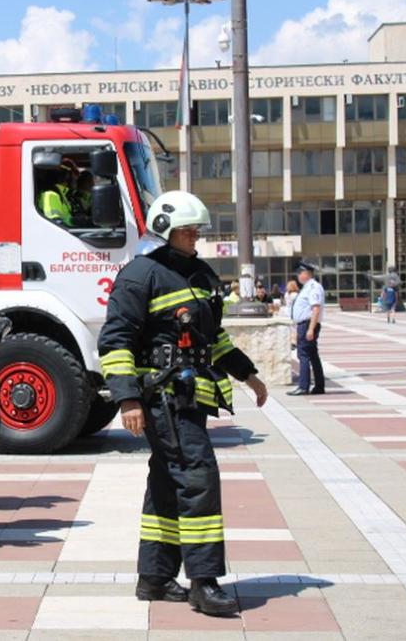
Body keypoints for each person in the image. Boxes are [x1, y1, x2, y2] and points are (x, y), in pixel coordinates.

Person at [98, 190, 268, 617]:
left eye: (197, 230)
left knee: (167, 482)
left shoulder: (198, 274)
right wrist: (128, 399)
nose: (195, 237)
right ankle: (204, 582)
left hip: (190, 398)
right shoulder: (140, 275)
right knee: (197, 478)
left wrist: (247, 374)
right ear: (164, 231)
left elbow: (213, 339)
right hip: (162, 398)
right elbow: (115, 341)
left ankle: (154, 577)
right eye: (187, 231)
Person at [288, 262, 325, 395]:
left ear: (307, 274)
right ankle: (319, 386)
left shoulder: (313, 287)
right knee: (313, 356)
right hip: (304, 324)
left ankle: (303, 386)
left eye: (300, 273)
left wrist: (310, 329)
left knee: (303, 355)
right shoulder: (307, 287)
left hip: (308, 324)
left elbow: (316, 308)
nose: (298, 276)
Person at [38, 159, 80, 227]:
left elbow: (67, 219)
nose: (76, 181)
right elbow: (55, 224)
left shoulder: (63, 194)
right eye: (74, 177)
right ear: (67, 176)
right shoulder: (51, 195)